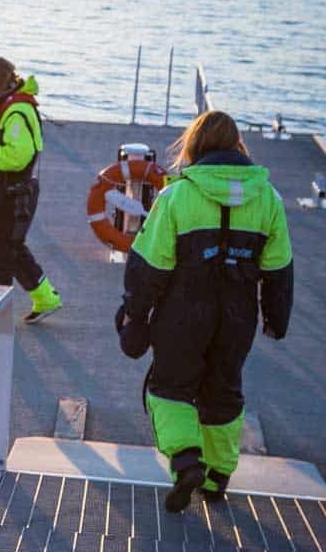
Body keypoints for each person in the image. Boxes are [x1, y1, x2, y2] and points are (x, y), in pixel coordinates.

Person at [115, 110, 293, 513]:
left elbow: (149, 265)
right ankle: (216, 477)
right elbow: (279, 267)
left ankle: (185, 460)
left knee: (169, 387)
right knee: (223, 391)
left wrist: (134, 316)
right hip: (237, 316)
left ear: (194, 145)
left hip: (182, 314)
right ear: (238, 147)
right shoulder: (268, 197)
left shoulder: (177, 195)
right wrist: (276, 317)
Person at [0, 56, 62, 323]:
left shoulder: (17, 113)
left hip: (11, 193)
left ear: (1, 82)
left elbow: (18, 156)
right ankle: (46, 298)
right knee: (11, 249)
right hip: (2, 191)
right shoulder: (3, 106)